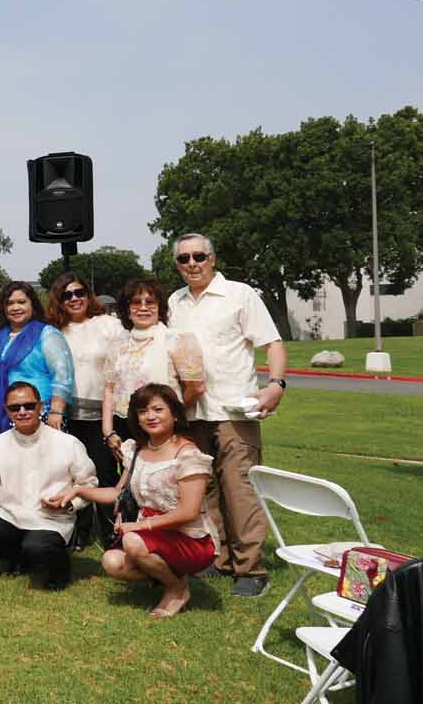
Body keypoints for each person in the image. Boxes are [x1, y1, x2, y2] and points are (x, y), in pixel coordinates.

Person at [166, 233, 287, 598]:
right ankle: (216, 559)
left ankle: (250, 568)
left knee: (240, 490)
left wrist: (276, 384)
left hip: (233, 410)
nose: (192, 264)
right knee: (204, 491)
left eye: (198, 256)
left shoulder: (240, 295)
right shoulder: (175, 302)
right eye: (184, 259)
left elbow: (273, 343)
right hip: (191, 412)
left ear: (213, 258)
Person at [50, 384, 217, 617]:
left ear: (175, 413)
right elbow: (119, 493)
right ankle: (168, 575)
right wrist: (78, 490)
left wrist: (139, 526)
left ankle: (177, 590)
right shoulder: (137, 450)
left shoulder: (188, 455)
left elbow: (188, 512)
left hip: (188, 538)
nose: (150, 416)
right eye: (143, 411)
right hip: (152, 536)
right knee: (111, 561)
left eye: (158, 409)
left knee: (132, 542)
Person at [0, 382, 98, 590]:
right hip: (11, 515)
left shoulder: (67, 443)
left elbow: (90, 485)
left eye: (29, 406)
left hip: (51, 519)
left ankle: (58, 571)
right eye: (15, 408)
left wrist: (70, 504)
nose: (22, 412)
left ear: (40, 407)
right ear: (7, 411)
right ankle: (21, 558)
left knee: (38, 546)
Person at [47, 271, 127, 547]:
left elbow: (121, 367)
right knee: (71, 473)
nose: (74, 299)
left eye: (79, 292)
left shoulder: (107, 324)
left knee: (105, 472)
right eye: (66, 295)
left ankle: (112, 532)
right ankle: (79, 532)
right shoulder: (55, 331)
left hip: (103, 413)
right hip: (68, 414)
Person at [0, 281, 74, 451]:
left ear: (33, 304)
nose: (15, 307)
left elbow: (62, 376)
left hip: (38, 414)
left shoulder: (47, 334)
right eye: (9, 303)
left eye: (21, 302)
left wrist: (56, 412)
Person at [102, 277, 205, 449]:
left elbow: (196, 387)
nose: (143, 307)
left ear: (160, 308)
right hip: (123, 426)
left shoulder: (177, 340)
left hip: (163, 426)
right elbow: (109, 389)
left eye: (150, 302)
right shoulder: (118, 344)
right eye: (136, 302)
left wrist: (170, 414)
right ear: (127, 310)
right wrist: (108, 432)